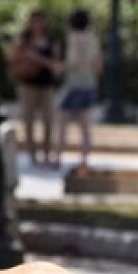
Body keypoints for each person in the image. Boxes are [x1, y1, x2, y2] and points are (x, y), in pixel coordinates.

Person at [12, 10, 62, 167]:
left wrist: (37, 58)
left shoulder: (52, 41)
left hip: (46, 85)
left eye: (40, 21)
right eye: (35, 21)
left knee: (48, 121)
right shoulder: (23, 39)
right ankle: (33, 155)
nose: (38, 24)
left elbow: (55, 64)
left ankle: (47, 153)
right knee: (28, 121)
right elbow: (15, 57)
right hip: (27, 85)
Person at [53, 9, 102, 172]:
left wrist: (60, 67)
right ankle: (84, 160)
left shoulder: (74, 38)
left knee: (62, 124)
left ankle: (57, 158)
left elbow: (73, 61)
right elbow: (97, 64)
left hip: (74, 85)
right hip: (89, 84)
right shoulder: (93, 39)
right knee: (85, 128)